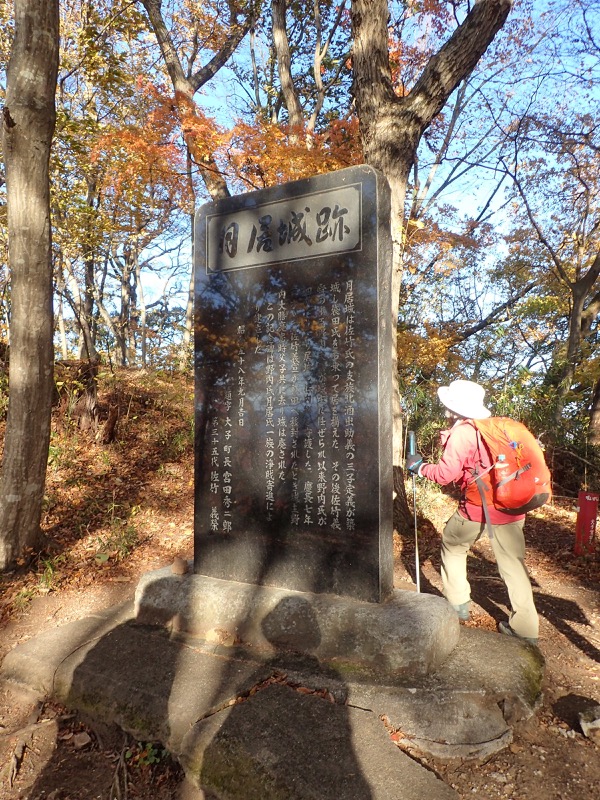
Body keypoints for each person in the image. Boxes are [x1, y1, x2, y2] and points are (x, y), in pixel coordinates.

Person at [406, 379, 539, 646]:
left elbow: (445, 475)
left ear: (453, 408)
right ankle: (526, 628)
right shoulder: (499, 427)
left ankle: (457, 604)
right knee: (513, 565)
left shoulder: (464, 432)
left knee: (453, 546)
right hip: (513, 506)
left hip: (479, 507)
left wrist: (419, 468)